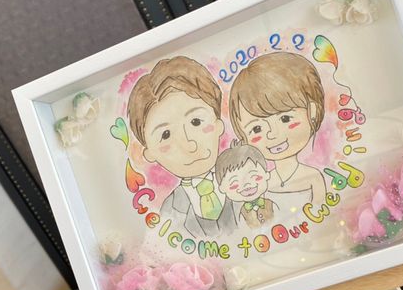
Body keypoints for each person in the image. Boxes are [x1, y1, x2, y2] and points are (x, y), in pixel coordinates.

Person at [128, 56, 236, 238]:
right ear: (150, 154)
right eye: (165, 135)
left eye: (196, 122)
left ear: (218, 124)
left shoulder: (249, 177)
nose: (189, 145)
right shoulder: (169, 213)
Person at [228, 52, 326, 207]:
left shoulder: (313, 178)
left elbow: (323, 211)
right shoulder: (260, 185)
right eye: (256, 129)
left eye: (285, 118)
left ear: (312, 111)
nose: (273, 134)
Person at [215, 141, 277, 229]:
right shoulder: (233, 217)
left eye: (255, 177)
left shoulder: (274, 203)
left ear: (266, 175)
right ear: (222, 188)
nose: (247, 184)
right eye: (235, 184)